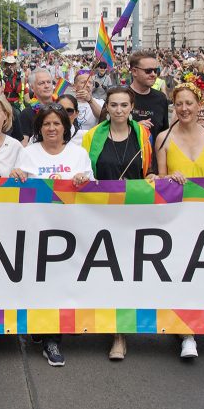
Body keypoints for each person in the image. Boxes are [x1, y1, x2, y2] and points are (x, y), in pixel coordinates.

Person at [12, 103, 93, 368]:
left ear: (65, 127)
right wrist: (16, 176)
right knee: (40, 283)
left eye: (56, 123)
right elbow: (17, 188)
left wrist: (84, 180)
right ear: (39, 128)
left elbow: (94, 193)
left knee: (60, 285)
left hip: (70, 232)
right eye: (46, 124)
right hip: (36, 231)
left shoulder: (79, 155)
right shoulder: (28, 154)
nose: (51, 128)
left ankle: (51, 338)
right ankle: (43, 329)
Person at [155, 83, 204, 359]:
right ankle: (187, 332)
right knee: (183, 274)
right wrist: (168, 179)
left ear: (200, 106)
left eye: (189, 103)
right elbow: (159, 179)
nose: (184, 109)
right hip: (178, 218)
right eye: (179, 104)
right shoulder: (163, 138)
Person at [81, 87, 155, 362]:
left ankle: (119, 333)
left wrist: (155, 178)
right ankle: (108, 325)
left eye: (124, 105)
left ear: (132, 106)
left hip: (135, 215)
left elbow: (152, 170)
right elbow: (86, 172)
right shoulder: (92, 136)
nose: (119, 110)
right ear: (107, 108)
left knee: (126, 274)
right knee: (106, 274)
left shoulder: (144, 135)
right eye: (114, 105)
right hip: (100, 215)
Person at [128, 51, 170, 139]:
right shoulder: (119, 96)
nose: (153, 74)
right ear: (134, 71)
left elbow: (164, 133)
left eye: (156, 70)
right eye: (148, 71)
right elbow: (106, 129)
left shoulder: (161, 98)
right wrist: (134, 127)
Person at [19, 68, 57, 141]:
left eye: (49, 82)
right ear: (32, 88)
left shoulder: (62, 107)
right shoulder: (26, 114)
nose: (46, 86)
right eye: (41, 83)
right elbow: (23, 143)